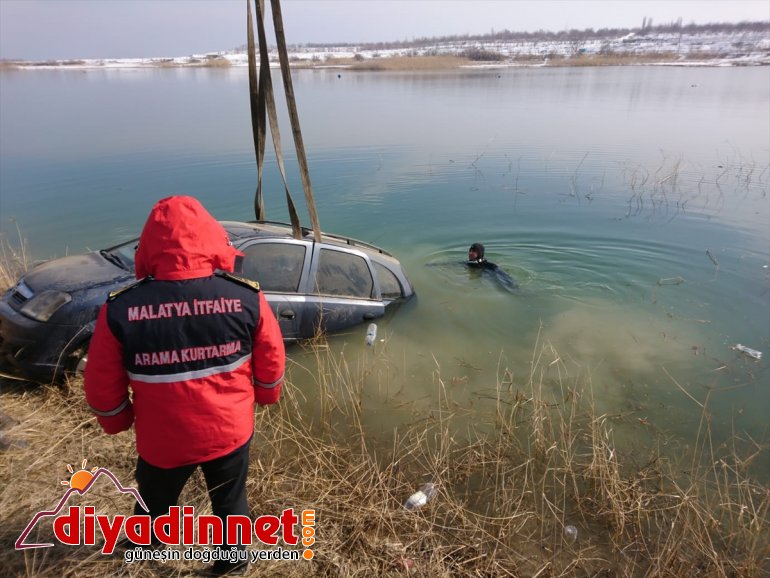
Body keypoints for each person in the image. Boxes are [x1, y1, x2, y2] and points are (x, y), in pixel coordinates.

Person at [84, 196, 285, 576]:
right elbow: (272, 359)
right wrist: (266, 395)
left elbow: (100, 383)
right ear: (212, 237)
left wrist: (117, 420)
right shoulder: (246, 297)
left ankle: (146, 544)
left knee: (155, 497)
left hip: (163, 439)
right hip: (229, 431)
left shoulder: (121, 308)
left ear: (149, 246)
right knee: (229, 499)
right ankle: (233, 561)